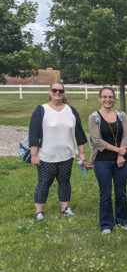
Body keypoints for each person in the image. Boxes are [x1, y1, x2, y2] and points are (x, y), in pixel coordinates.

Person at [28, 80, 87, 220]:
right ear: (50, 92)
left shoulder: (71, 111)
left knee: (65, 182)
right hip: (46, 156)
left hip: (66, 156)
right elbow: (34, 134)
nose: (57, 93)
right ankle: (39, 212)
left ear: (63, 93)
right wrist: (34, 155)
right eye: (54, 90)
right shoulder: (41, 110)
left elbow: (79, 133)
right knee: (44, 183)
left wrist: (82, 153)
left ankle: (65, 208)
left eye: (60, 91)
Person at [88, 87, 127, 234]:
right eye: (104, 97)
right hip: (102, 160)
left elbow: (126, 137)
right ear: (99, 98)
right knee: (105, 194)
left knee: (121, 192)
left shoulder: (122, 116)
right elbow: (96, 141)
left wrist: (121, 155)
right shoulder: (94, 117)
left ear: (114, 99)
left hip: (121, 161)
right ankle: (106, 224)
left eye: (110, 97)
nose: (107, 100)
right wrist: (117, 150)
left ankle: (123, 221)